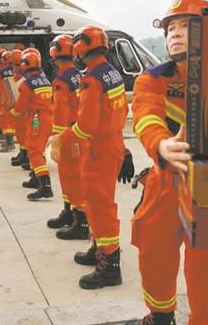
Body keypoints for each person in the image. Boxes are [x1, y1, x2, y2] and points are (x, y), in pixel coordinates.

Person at [126, 0, 208, 325]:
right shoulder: (153, 78)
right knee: (154, 254)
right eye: (171, 27)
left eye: (186, 26)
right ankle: (160, 317)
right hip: (165, 183)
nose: (174, 33)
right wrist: (160, 144)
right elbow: (145, 114)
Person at [50, 25, 128, 290]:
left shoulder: (92, 79)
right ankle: (99, 248)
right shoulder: (112, 73)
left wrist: (62, 138)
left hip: (98, 152)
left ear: (81, 48)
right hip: (112, 146)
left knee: (100, 206)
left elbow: (86, 126)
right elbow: (119, 113)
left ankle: (110, 266)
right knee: (99, 204)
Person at [45, 34, 88, 240]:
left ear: (54, 56)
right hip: (79, 133)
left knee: (71, 177)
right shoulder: (80, 76)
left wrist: (56, 138)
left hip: (69, 136)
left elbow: (60, 112)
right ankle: (69, 212)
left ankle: (81, 223)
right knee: (70, 176)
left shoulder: (61, 81)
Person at [12, 48, 54, 199]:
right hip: (48, 118)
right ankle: (36, 178)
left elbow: (20, 109)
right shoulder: (46, 81)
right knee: (39, 149)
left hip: (37, 120)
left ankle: (45, 185)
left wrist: (13, 113)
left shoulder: (27, 85)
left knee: (34, 151)